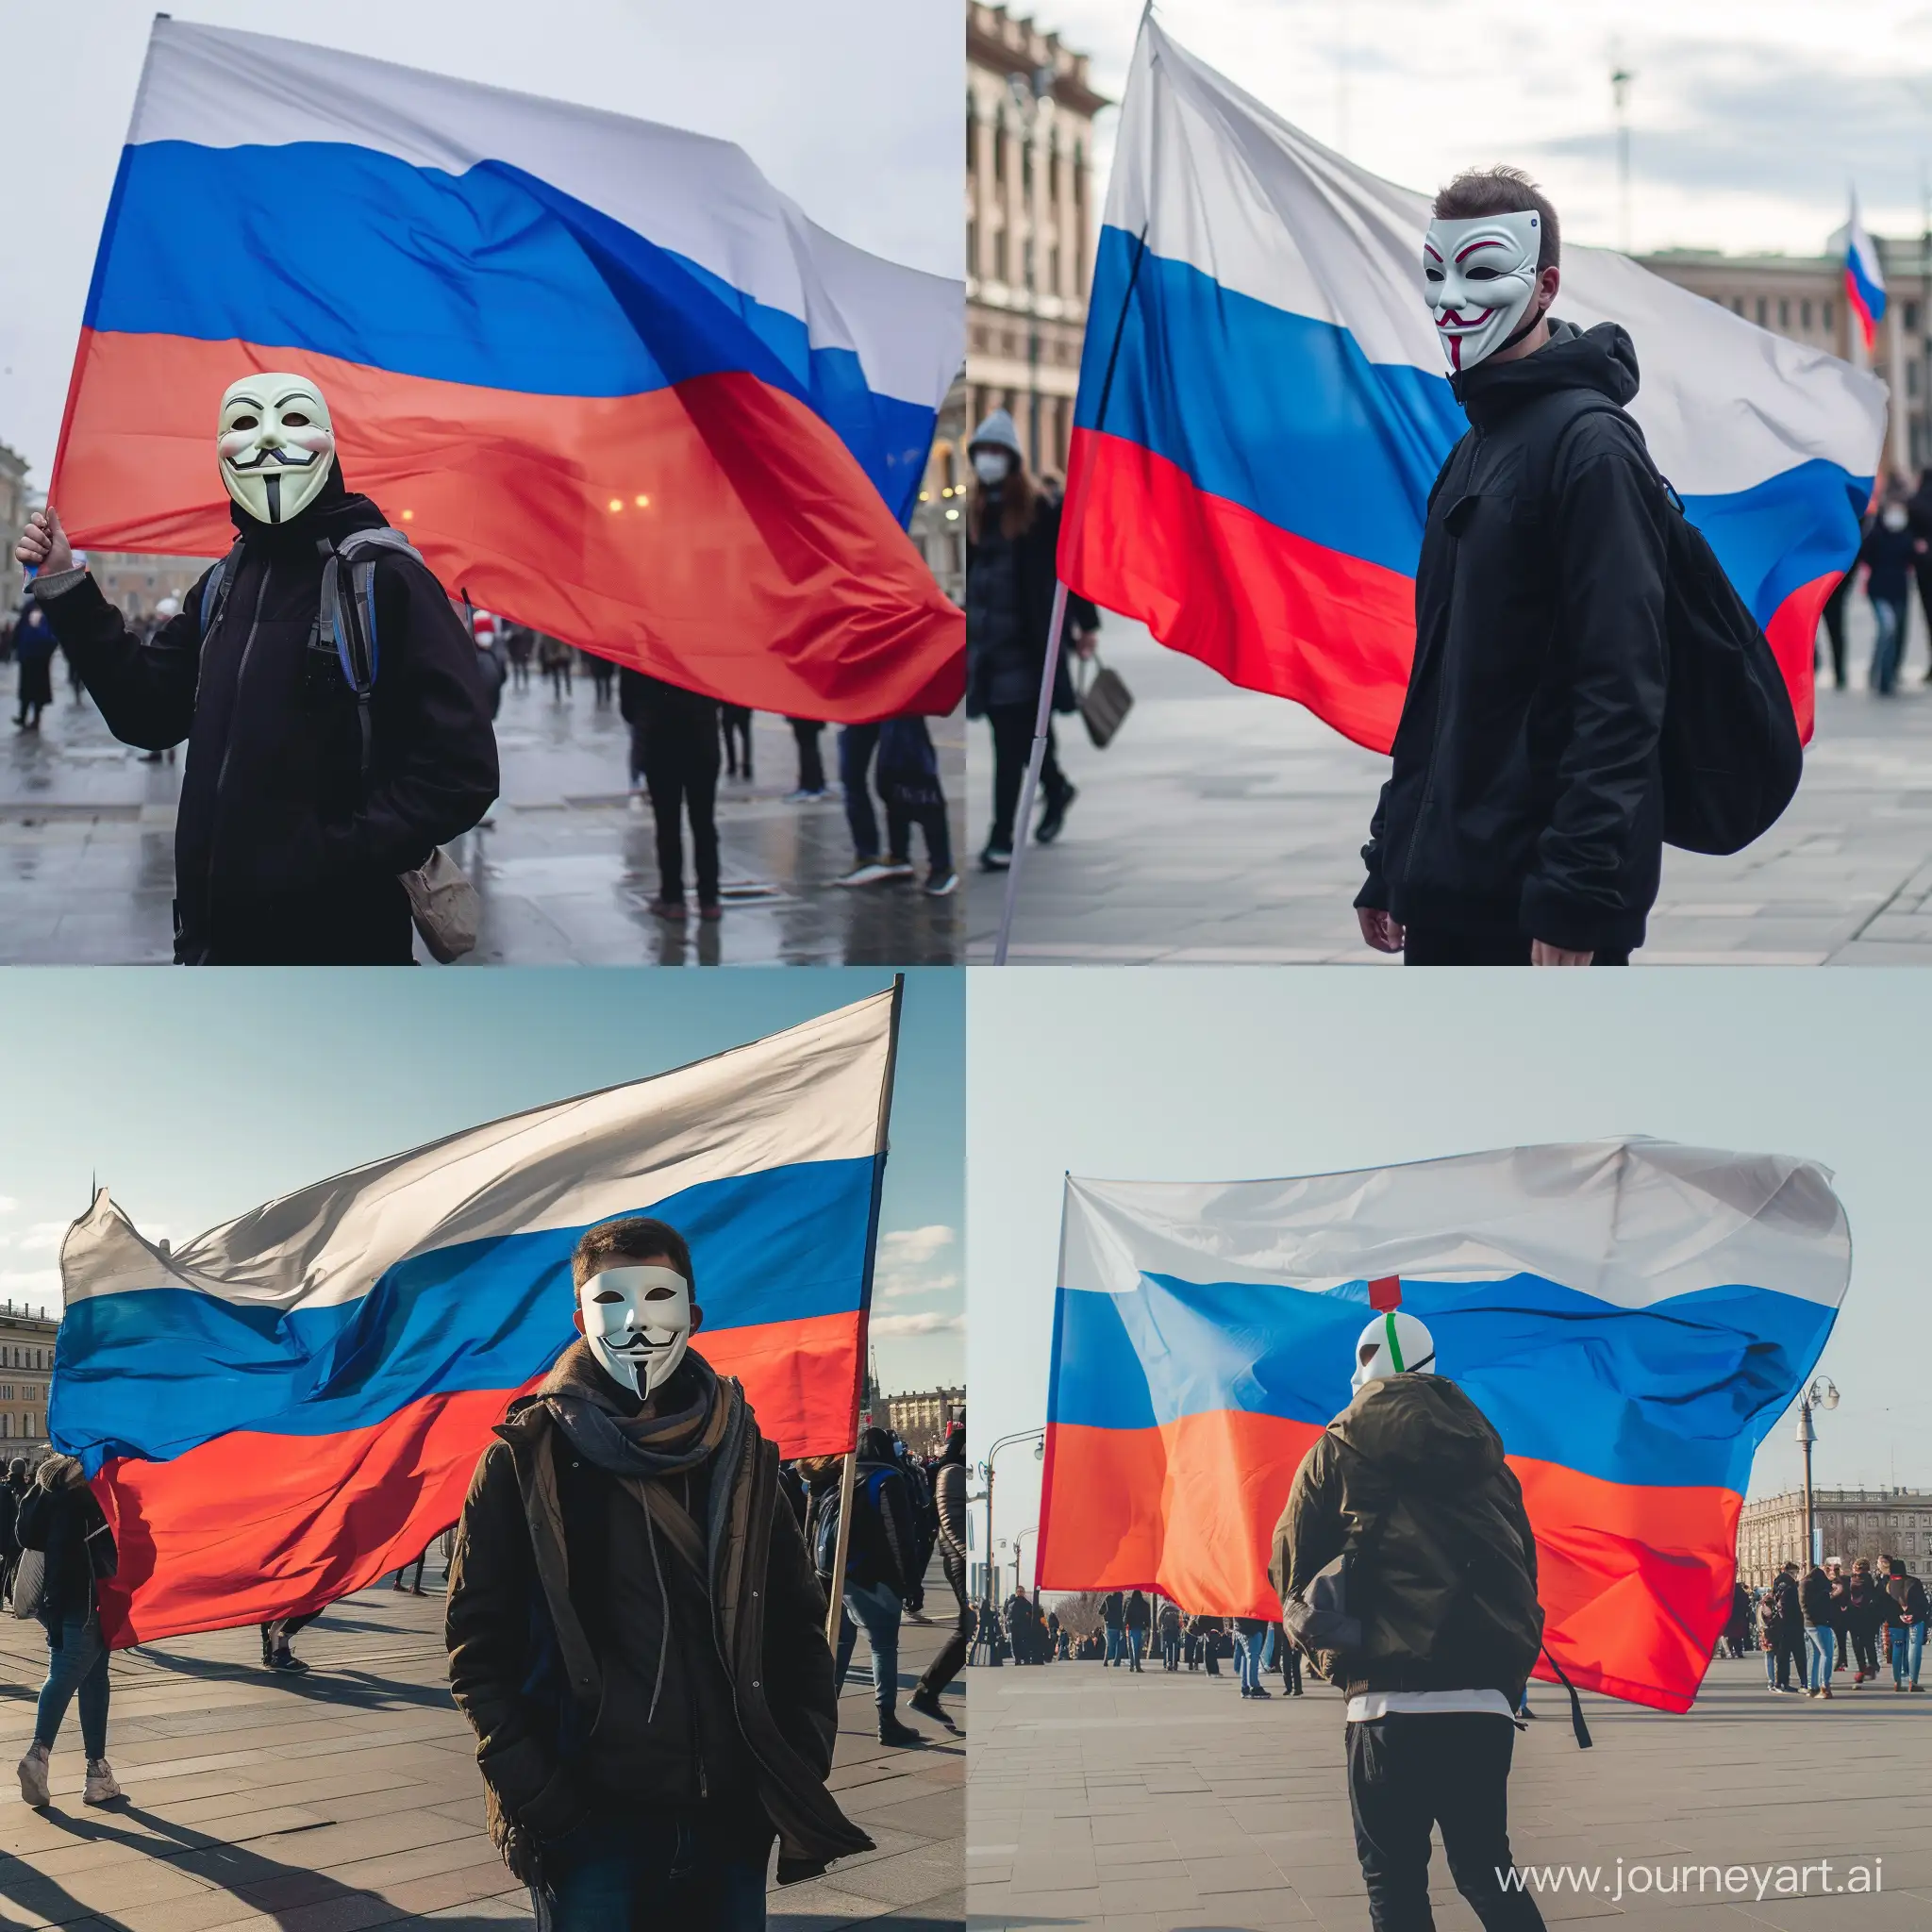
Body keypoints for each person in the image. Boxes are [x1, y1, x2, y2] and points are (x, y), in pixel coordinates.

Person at [446, 1214, 870, 1926]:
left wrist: (800, 1752)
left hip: (729, 1819)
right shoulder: (526, 1459)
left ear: (694, 1315)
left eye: (658, 1298)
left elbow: (797, 1621)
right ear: (579, 1318)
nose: (636, 1322)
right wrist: (545, 1800)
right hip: (589, 1826)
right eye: (611, 1301)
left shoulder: (743, 1457)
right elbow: (475, 1649)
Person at [13, 375, 498, 964]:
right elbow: (147, 712)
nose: (268, 440)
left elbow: (459, 770)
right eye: (245, 423)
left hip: (340, 953)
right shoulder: (223, 584)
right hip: (213, 945)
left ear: (329, 439)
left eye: (292, 420)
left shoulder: (386, 578)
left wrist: (332, 856)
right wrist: (68, 588)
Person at [1357, 168, 1668, 969]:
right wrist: (1391, 858)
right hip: (1451, 890)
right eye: (1436, 272)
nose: (1451, 297)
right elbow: (1439, 681)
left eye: (1483, 269)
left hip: (1533, 902)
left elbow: (1622, 688)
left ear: (1545, 285)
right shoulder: (1473, 449)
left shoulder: (1591, 449)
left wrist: (1577, 895)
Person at [1273, 1309, 1546, 1932]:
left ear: (1366, 1364)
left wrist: (1337, 1655)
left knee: (1393, 1886)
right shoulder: (1488, 1458)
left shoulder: (1333, 1449)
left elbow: (1289, 1573)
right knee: (1487, 1871)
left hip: (1385, 1706)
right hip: (1483, 1703)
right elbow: (1525, 1567)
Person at [963, 408, 1097, 872]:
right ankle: (1056, 787)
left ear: (1014, 459)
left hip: (1028, 643)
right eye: (982, 451)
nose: (988, 459)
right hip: (988, 649)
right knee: (1027, 737)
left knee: (1009, 743)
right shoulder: (975, 512)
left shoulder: (1039, 510)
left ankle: (1001, 836)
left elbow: (1068, 569)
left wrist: (1087, 624)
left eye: (997, 451)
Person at [16, 1454, 123, 1808]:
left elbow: (23, 1533)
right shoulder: (93, 1490)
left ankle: (97, 1772)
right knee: (64, 1672)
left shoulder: (48, 1483)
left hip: (54, 1597)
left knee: (94, 1676)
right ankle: (38, 1753)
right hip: (90, 1596)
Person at [831, 1426, 925, 1746]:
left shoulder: (846, 1476)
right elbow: (899, 1537)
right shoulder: (888, 1479)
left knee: (841, 1646)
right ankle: (887, 1721)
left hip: (840, 1578)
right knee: (883, 1648)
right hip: (876, 1579)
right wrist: (912, 1584)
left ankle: (824, 1715)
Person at [618, 670, 723, 922]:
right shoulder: (702, 644)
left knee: (668, 825)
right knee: (704, 823)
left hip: (661, 741)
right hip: (703, 738)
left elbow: (628, 706)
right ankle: (709, 899)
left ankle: (673, 898)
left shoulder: (641, 648)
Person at [911, 1422, 967, 1732]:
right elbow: (952, 1523)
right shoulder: (952, 1474)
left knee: (971, 1627)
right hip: (961, 1562)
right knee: (972, 1627)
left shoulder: (961, 1472)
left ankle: (927, 1693)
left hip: (961, 1559)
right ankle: (926, 1693)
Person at [1859, 488, 1920, 695]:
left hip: (1899, 591)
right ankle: (1880, 676)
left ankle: (1886, 673)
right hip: (1879, 591)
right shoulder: (1876, 533)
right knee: (1888, 628)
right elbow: (1865, 555)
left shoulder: (1907, 534)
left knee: (1894, 634)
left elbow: (1913, 558)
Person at [11, 597, 56, 731]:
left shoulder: (47, 606)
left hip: (39, 655)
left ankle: (34, 718)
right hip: (30, 654)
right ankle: (24, 716)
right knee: (27, 688)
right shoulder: (33, 605)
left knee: (36, 689)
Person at [1885, 1559, 1927, 1691]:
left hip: (1895, 1621)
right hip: (1915, 1619)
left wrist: (1899, 1615)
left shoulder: (1887, 1584)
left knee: (1897, 1649)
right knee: (1914, 1649)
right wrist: (1913, 1614)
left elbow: (1884, 1605)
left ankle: (1897, 1681)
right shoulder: (1914, 1582)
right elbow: (1924, 1603)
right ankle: (1912, 1682)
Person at [1799, 1562, 1835, 1697]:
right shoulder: (1822, 1585)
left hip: (1809, 1623)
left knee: (1815, 1655)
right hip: (1820, 1623)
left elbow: (1804, 1605)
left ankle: (1812, 1686)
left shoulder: (1805, 1583)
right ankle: (1824, 1686)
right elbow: (1825, 1603)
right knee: (1827, 1654)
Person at [1769, 1562, 1805, 1693]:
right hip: (1791, 1622)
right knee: (1798, 1653)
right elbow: (1788, 1602)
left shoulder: (1778, 1581)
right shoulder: (1789, 1583)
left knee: (1782, 1655)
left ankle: (1782, 1682)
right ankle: (1801, 1682)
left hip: (1781, 1623)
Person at [783, 719, 828, 803]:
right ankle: (816, 784)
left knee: (806, 745)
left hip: (804, 715)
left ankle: (810, 786)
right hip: (813, 714)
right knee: (810, 744)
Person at [1233, 1614, 1273, 1700]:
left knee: (1246, 1657)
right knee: (1252, 1657)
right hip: (1252, 1627)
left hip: (1241, 1625)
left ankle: (1245, 1687)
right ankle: (1254, 1687)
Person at [720, 706, 754, 781]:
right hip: (743, 707)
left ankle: (732, 765)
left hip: (728, 708)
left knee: (729, 738)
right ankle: (746, 765)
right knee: (745, 737)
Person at [1124, 1588, 1151, 1672]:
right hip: (1141, 1628)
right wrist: (1147, 1626)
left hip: (1132, 1628)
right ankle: (1137, 1665)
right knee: (1138, 1648)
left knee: (1131, 1647)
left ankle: (1133, 1665)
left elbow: (1126, 1617)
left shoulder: (1130, 1605)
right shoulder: (1145, 1605)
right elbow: (1148, 1618)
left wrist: (1125, 1625)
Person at [1099, 1590, 1124, 1667]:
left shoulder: (1108, 1599)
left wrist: (1106, 1616)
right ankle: (1117, 1661)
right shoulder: (1121, 1601)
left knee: (1109, 1644)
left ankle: (1106, 1660)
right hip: (1119, 1625)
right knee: (1119, 1644)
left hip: (1109, 1624)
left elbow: (1100, 1611)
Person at [1158, 1598, 1182, 1672]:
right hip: (1175, 1629)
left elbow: (1159, 1618)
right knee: (1175, 1646)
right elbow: (1180, 1619)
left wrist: (1160, 1627)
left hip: (1166, 1629)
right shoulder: (1177, 1608)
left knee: (1168, 1646)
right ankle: (1174, 1663)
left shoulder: (1165, 1607)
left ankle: (1168, 1663)